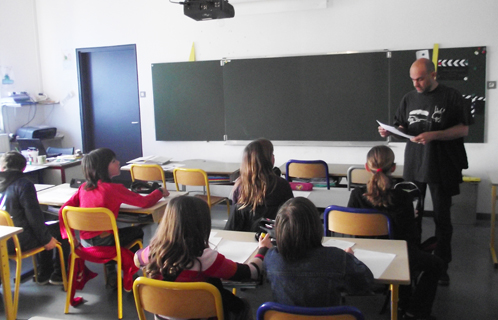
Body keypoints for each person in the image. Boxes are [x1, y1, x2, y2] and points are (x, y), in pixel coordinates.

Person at [378, 58, 472, 286]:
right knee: (411, 217)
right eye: (413, 79)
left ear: (433, 75)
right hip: (415, 164)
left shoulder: (452, 96)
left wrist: (434, 135)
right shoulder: (408, 98)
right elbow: (402, 125)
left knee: (442, 218)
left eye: (420, 79)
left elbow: (464, 129)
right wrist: (389, 131)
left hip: (443, 165)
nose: (416, 84)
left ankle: (441, 267)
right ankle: (413, 261)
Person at [135, 195, 272, 320]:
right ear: (202, 225)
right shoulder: (206, 258)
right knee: (243, 305)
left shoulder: (153, 252)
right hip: (199, 316)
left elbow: (136, 259)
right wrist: (263, 249)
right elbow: (251, 272)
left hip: (163, 315)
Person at [348, 145, 443, 320]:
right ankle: (414, 311)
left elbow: (350, 229)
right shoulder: (403, 197)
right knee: (436, 264)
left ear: (367, 167)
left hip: (362, 254)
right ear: (393, 168)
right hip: (396, 256)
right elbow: (411, 238)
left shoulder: (356, 194)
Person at [59, 148, 169, 288]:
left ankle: (111, 272)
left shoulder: (83, 188)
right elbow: (144, 202)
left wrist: (69, 237)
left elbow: (63, 210)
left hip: (84, 244)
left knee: (112, 234)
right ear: (103, 167)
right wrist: (159, 191)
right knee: (137, 232)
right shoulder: (114, 189)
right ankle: (131, 270)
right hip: (106, 243)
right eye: (113, 161)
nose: (118, 163)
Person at [264, 197, 374, 308]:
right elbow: (366, 282)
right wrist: (350, 259)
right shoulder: (337, 258)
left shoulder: (272, 258)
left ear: (278, 229)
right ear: (316, 226)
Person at [0, 151, 69, 285]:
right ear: (24, 168)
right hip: (19, 241)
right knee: (61, 229)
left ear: (2, 168)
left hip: (3, 241)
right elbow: (34, 218)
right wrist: (47, 240)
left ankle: (43, 273)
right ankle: (58, 275)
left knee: (45, 228)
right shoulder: (24, 184)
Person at [225, 138, 293, 232]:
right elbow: (291, 216)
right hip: (274, 238)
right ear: (270, 160)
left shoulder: (239, 187)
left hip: (244, 240)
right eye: (272, 154)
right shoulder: (282, 185)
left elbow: (234, 222)